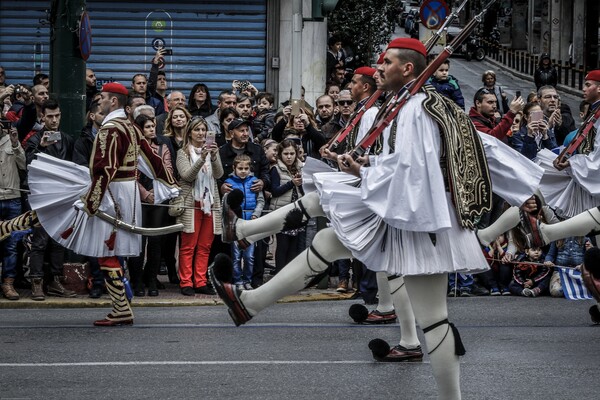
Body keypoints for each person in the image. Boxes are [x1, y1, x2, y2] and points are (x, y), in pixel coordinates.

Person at [212, 38, 494, 398]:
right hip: (404, 215)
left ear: (407, 68)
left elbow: (412, 169)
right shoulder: (408, 103)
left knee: (435, 320)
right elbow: (399, 163)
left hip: (419, 223)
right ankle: (249, 298)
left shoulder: (416, 108)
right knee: (328, 236)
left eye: (387, 62)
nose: (379, 68)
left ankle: (249, 291)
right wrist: (367, 167)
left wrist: (364, 171)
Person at [27, 82, 178, 325]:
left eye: (104, 97)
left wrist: (92, 201)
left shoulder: (109, 129)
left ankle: (121, 309)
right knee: (107, 249)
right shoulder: (130, 126)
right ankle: (122, 307)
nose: (100, 100)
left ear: (114, 101)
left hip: (111, 194)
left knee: (105, 251)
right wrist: (171, 185)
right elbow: (153, 159)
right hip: (124, 192)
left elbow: (103, 169)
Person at [24, 99, 76, 301]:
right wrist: (41, 147)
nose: (54, 120)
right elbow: (28, 165)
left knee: (58, 240)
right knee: (39, 241)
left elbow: (74, 166)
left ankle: (54, 280)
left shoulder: (67, 139)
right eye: (50, 116)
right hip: (42, 198)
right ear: (42, 117)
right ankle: (36, 281)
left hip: (62, 197)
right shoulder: (34, 139)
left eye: (57, 116)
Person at [127, 114, 174, 297]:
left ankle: (152, 279)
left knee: (156, 243)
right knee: (138, 242)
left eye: (153, 126)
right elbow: (130, 175)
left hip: (159, 199)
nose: (152, 130)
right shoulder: (132, 149)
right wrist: (145, 194)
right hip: (138, 199)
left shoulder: (162, 147)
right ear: (139, 129)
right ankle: (136, 280)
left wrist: (157, 193)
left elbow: (168, 170)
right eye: (147, 127)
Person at [176, 116, 223, 296]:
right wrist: (201, 159)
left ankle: (200, 281)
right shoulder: (183, 153)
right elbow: (187, 176)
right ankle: (186, 282)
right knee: (188, 245)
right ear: (190, 132)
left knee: (205, 245)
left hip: (210, 202)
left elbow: (219, 174)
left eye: (204, 130)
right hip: (192, 203)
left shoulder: (210, 151)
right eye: (197, 130)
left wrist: (214, 155)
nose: (201, 133)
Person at [225, 155, 265, 288]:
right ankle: (237, 280)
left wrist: (256, 214)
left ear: (250, 169)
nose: (243, 171)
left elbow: (260, 201)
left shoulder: (255, 181)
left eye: (246, 168)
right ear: (234, 168)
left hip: (251, 221)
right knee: (236, 255)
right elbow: (226, 203)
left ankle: (247, 280)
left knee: (249, 256)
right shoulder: (229, 182)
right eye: (240, 168)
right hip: (236, 223)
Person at [269, 140, 304, 275]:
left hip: (298, 211)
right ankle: (280, 275)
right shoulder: (276, 169)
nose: (289, 157)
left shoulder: (301, 168)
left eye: (292, 153)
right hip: (282, 211)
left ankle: (290, 276)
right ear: (280, 154)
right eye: (286, 154)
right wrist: (291, 183)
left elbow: (304, 190)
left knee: (294, 246)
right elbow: (275, 191)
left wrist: (300, 184)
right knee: (282, 245)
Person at [0, 123, 25, 300]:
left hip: (13, 198)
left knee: (11, 245)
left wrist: (16, 144)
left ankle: (8, 283)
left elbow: (23, 165)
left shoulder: (11, 140)